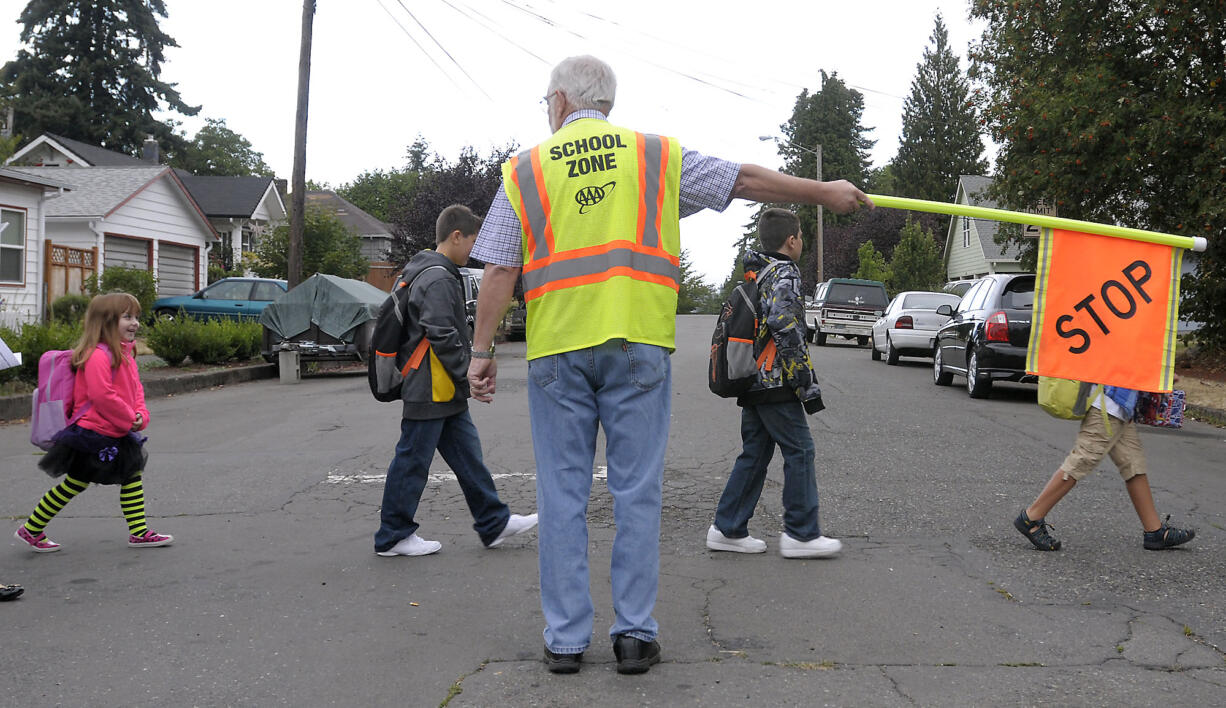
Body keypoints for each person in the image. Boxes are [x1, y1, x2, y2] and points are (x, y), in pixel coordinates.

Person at [466, 55, 871, 675]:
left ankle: (566, 640)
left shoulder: (526, 170)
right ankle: (633, 636)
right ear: (607, 103)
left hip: (556, 353)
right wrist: (822, 192)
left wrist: (482, 351)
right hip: (638, 347)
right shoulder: (654, 158)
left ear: (558, 102)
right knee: (635, 492)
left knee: (563, 492)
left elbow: (498, 268)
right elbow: (741, 180)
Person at [373, 204, 537, 558]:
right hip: (429, 386)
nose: (475, 252)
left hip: (439, 386)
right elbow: (442, 333)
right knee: (412, 460)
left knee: (468, 457)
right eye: (473, 243)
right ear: (456, 235)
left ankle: (494, 522)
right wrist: (469, 372)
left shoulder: (426, 270)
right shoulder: (439, 277)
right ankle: (392, 535)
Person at [706, 208, 841, 559]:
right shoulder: (785, 274)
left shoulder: (756, 272)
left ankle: (728, 528)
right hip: (774, 381)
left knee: (756, 452)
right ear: (792, 240)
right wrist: (805, 383)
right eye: (801, 237)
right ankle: (802, 534)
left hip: (752, 379)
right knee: (800, 450)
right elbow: (785, 327)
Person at [14, 292, 173, 553]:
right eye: (127, 317)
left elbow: (136, 391)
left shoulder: (125, 354)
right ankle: (31, 528)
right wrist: (128, 417)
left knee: (131, 476)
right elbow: (102, 395)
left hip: (115, 429)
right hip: (93, 432)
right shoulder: (98, 355)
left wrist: (141, 415)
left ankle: (139, 532)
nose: (135, 323)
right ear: (106, 321)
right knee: (75, 483)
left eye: (136, 317)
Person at [1014, 379, 1196, 551]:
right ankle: (1032, 517)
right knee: (1082, 460)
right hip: (1107, 405)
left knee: (1133, 463)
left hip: (1121, 405)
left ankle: (1155, 531)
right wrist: (1159, 377)